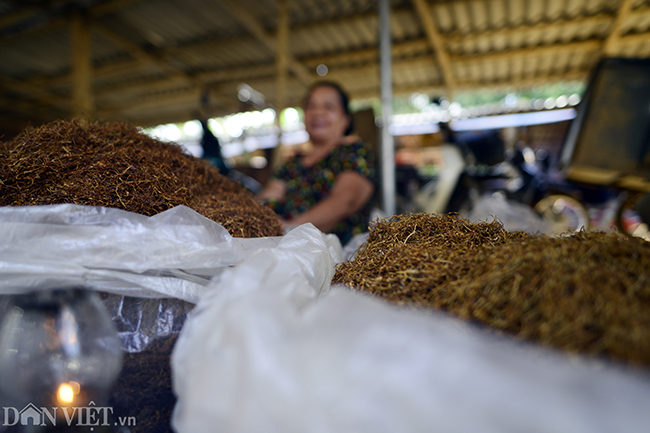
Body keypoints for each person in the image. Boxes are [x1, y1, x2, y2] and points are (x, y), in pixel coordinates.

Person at [256, 81, 376, 245]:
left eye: (329, 107)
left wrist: (291, 228)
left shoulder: (354, 153)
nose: (317, 112)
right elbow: (267, 198)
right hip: (287, 249)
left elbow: (346, 199)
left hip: (339, 260)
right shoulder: (293, 164)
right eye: (311, 106)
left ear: (345, 120)